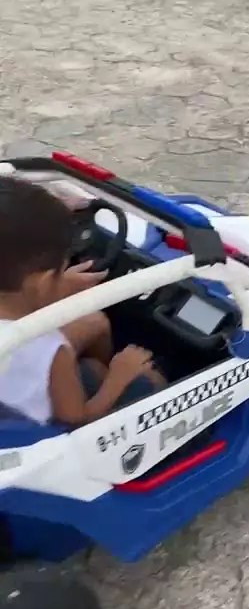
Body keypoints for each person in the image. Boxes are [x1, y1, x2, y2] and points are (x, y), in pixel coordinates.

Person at [0, 176, 166, 426]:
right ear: (42, 282)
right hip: (52, 429)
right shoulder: (49, 350)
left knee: (94, 331)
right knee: (150, 379)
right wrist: (119, 377)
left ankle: (97, 374)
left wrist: (54, 287)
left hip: (13, 400)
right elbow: (76, 420)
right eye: (60, 272)